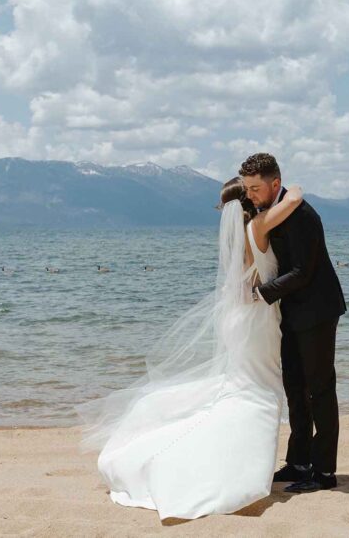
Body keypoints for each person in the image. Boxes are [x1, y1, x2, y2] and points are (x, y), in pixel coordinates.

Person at [74, 177, 304, 520]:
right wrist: (284, 187)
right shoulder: (258, 225)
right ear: (247, 205)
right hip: (257, 318)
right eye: (252, 194)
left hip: (239, 316)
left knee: (246, 384)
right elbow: (295, 199)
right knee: (260, 390)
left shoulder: (235, 233)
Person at [239, 152, 347, 493]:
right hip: (291, 311)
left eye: (255, 189)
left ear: (275, 184)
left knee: (320, 389)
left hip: (317, 310)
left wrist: (259, 294)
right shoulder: (270, 209)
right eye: (248, 189)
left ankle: (325, 472)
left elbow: (302, 272)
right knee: (294, 388)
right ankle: (298, 462)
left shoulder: (301, 215)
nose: (251, 195)